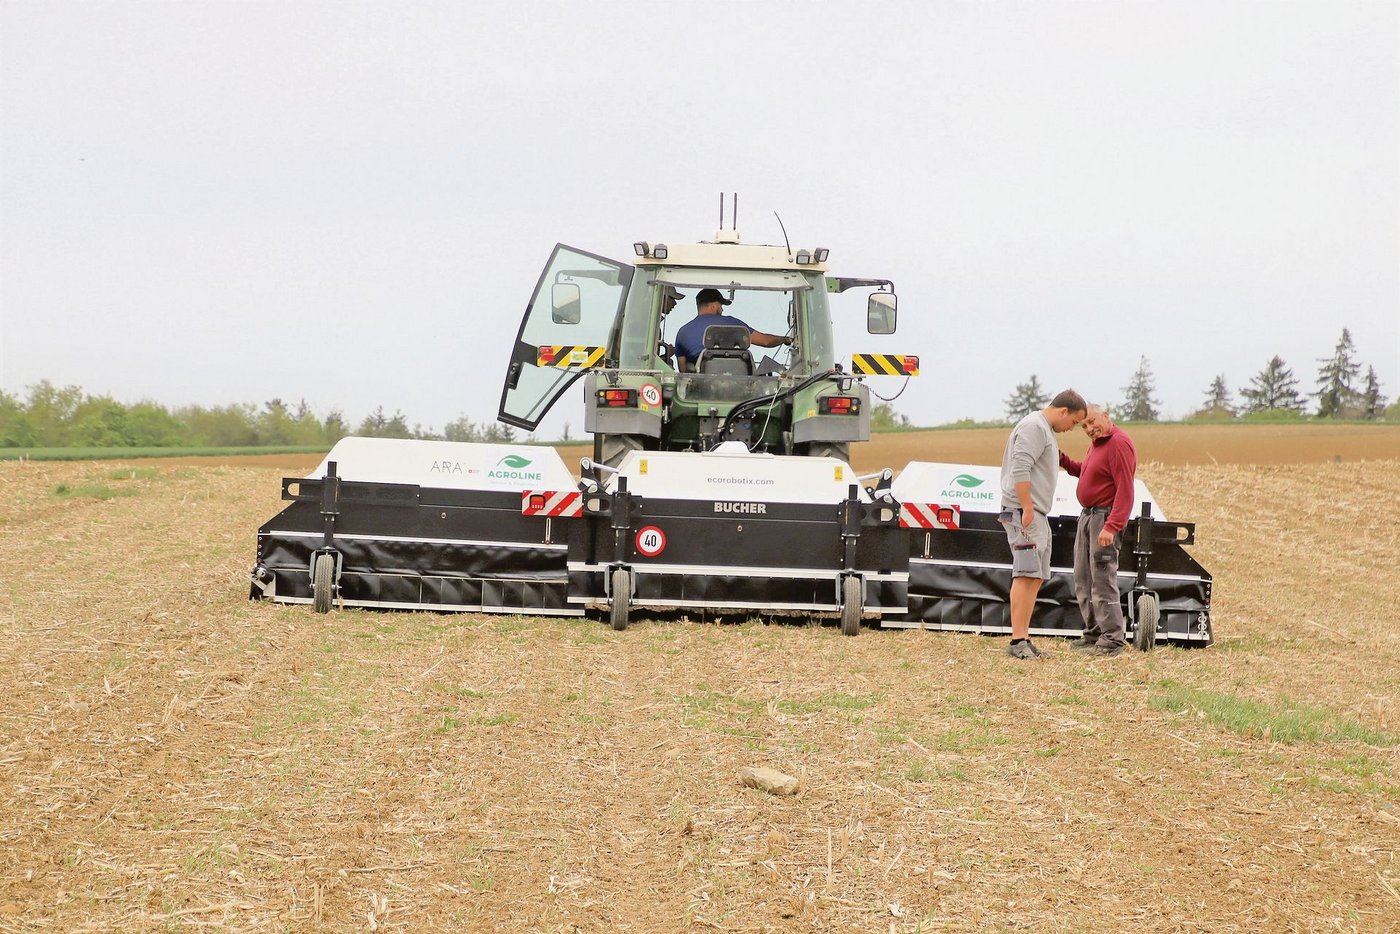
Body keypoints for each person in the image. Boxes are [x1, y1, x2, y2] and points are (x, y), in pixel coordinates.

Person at [999, 390, 1088, 660]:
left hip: (1037, 513)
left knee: (1035, 576)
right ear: (1063, 411)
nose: (1071, 428)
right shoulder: (1034, 427)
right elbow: (1020, 467)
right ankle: (1017, 640)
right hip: (1026, 511)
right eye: (1073, 422)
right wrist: (1026, 507)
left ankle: (1024, 636)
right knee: (1025, 575)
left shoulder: (1044, 429)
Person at [1059, 404, 1138, 657]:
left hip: (1103, 519)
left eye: (1092, 421)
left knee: (1102, 579)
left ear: (1106, 415)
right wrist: (1064, 462)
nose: (1089, 428)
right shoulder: (1099, 444)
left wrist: (1112, 526)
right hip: (1088, 517)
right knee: (1084, 578)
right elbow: (1087, 472)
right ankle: (1093, 633)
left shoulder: (1118, 443)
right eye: (1084, 426)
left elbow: (1125, 489)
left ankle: (1113, 638)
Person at [674, 287, 791, 371]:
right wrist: (784, 339)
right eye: (721, 306)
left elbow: (683, 372)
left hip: (702, 390)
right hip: (739, 387)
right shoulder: (731, 323)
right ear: (713, 305)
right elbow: (766, 341)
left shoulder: (683, 332)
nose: (722, 310)